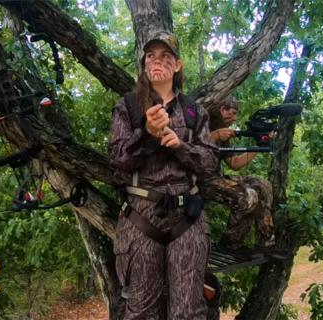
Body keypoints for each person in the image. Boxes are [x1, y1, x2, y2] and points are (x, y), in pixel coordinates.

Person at [108, 31, 218, 319]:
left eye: (165, 56)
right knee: (141, 309)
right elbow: (118, 161)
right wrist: (148, 135)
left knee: (189, 312)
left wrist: (180, 146)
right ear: (144, 63)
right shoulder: (128, 107)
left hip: (188, 217)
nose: (157, 61)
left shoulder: (195, 111)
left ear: (177, 65)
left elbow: (209, 164)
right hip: (140, 216)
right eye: (151, 56)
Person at [199, 96, 276, 259]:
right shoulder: (199, 124)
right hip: (198, 181)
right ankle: (231, 244)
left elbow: (234, 163)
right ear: (220, 109)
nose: (232, 118)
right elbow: (187, 147)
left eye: (235, 114)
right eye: (230, 112)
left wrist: (260, 146)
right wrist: (214, 136)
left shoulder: (223, 133)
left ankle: (266, 244)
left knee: (262, 185)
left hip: (216, 177)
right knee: (247, 196)